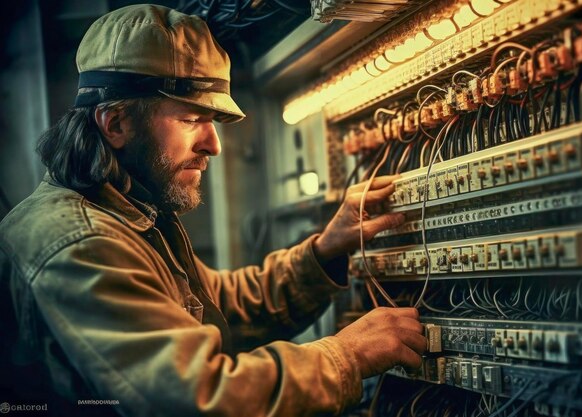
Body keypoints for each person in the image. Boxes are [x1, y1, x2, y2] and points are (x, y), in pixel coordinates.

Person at [0, 4, 427, 417]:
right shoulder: (80, 242)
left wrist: (325, 252)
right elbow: (196, 398)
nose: (214, 145)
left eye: (213, 123)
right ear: (116, 125)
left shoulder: (131, 213)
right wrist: (346, 356)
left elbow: (225, 306)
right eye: (191, 119)